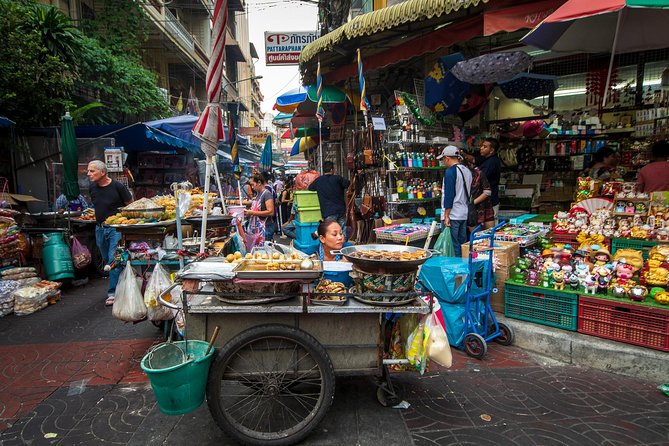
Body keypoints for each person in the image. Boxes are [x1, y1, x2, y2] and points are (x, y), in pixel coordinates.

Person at [87, 160, 132, 306]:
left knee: (113, 258)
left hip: (116, 228)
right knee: (108, 259)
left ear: (103, 172)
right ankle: (125, 282)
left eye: (92, 171)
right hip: (100, 228)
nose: (89, 174)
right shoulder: (92, 188)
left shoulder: (117, 186)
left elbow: (130, 204)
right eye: (88, 171)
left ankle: (112, 293)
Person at [438, 145, 472, 257]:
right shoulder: (467, 171)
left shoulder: (450, 172)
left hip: (453, 214)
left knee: (453, 246)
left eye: (443, 159)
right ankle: (463, 269)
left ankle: (455, 272)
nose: (444, 162)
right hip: (463, 213)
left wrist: (446, 215)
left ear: (447, 158)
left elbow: (449, 195)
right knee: (462, 243)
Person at [308, 161, 350, 238]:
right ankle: (342, 246)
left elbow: (310, 188)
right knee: (341, 230)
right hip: (340, 210)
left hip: (328, 211)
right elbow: (348, 184)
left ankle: (317, 234)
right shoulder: (338, 178)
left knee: (329, 230)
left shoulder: (318, 180)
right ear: (332, 169)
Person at [464, 137, 501, 219]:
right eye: (482, 146)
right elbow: (473, 160)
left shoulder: (492, 162)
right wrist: (463, 154)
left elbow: (480, 179)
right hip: (483, 202)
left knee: (488, 229)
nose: (481, 148)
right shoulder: (485, 159)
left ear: (491, 150)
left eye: (485, 147)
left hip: (490, 202)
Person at [244, 173, 276, 244]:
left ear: (259, 183)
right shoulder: (258, 194)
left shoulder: (267, 194)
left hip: (265, 229)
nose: (252, 187)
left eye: (253, 184)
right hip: (257, 230)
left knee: (264, 252)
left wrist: (252, 212)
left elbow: (271, 212)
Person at [465, 163, 494, 230]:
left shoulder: (478, 174)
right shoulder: (459, 176)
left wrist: (472, 203)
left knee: (490, 234)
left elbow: (487, 192)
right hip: (471, 211)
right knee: (475, 237)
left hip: (485, 207)